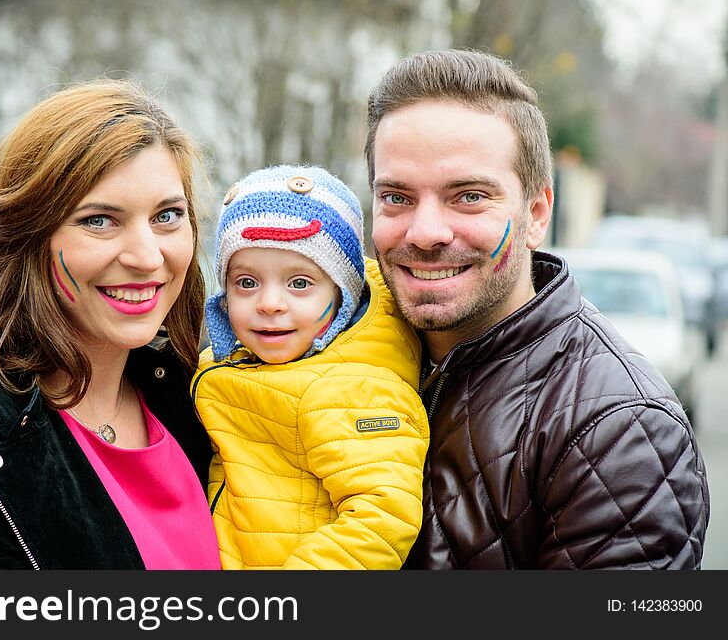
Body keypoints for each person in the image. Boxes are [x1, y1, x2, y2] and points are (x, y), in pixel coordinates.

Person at [365, 49, 710, 569]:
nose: (425, 232)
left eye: (469, 197)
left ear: (536, 214)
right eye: (396, 197)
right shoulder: (322, 341)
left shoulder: (619, 431)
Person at [0, 79, 221, 569]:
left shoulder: (198, 399)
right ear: (29, 236)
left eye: (167, 215)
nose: (146, 256)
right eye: (99, 220)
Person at [192, 164, 429, 569]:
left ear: (343, 294)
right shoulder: (236, 364)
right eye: (246, 282)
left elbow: (382, 517)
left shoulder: (351, 390)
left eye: (299, 283)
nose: (269, 303)